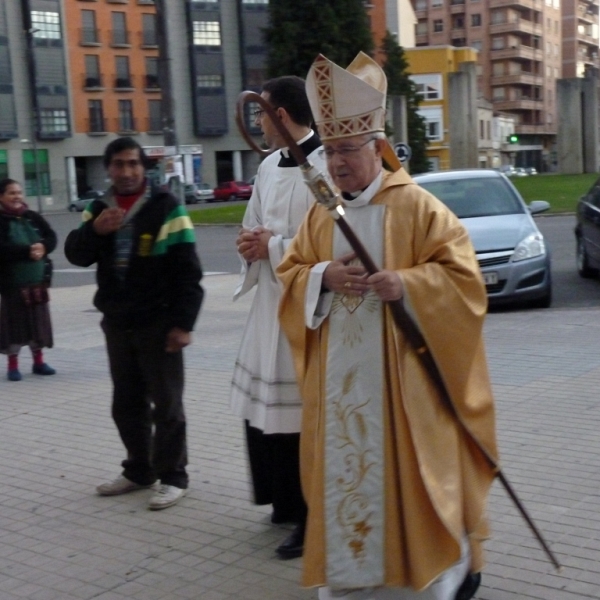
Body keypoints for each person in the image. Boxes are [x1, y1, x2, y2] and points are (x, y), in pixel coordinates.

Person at [277, 53, 499, 599]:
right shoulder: (320, 215)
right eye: (328, 151)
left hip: (406, 390)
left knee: (417, 475)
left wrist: (410, 286)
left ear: (377, 149)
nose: (336, 164)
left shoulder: (421, 209)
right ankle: (354, 574)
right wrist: (322, 276)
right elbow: (291, 273)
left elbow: (465, 282)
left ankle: (437, 569)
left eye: (347, 150)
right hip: (343, 389)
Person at [64, 137, 203, 511]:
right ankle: (139, 470)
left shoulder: (166, 208)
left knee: (167, 404)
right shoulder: (98, 208)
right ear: (108, 168)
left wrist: (182, 324)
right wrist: (97, 232)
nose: (126, 172)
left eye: (133, 164)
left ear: (144, 168)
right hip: (118, 323)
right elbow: (77, 254)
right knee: (125, 404)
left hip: (158, 324)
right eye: (118, 164)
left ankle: (174, 476)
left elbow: (188, 273)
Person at [230, 75, 325, 559]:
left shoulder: (327, 166)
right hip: (270, 306)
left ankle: (311, 520)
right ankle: (284, 503)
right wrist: (249, 245)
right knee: (268, 416)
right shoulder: (269, 166)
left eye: (262, 115)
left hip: (309, 312)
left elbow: (334, 244)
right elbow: (253, 224)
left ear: (281, 116)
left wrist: (274, 247)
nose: (259, 126)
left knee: (301, 422)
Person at [0, 178, 56, 381]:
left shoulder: (32, 216)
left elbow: (51, 236)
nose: (17, 197)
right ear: (1, 197)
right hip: (13, 285)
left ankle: (39, 362)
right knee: (14, 326)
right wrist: (27, 251)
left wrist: (43, 247)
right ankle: (13, 365)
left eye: (19, 192)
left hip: (37, 283)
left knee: (37, 324)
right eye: (11, 193)